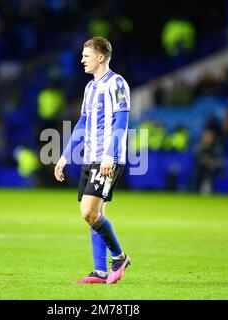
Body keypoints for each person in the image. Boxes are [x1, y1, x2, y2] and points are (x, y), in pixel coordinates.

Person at [54, 37, 131, 285]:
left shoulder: (117, 83)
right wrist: (65, 155)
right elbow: (82, 124)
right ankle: (99, 271)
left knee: (88, 212)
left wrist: (110, 153)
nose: (82, 60)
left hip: (107, 158)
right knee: (95, 215)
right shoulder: (89, 88)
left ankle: (119, 258)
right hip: (89, 158)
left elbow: (121, 121)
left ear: (100, 57)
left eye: (86, 55)